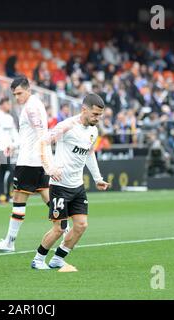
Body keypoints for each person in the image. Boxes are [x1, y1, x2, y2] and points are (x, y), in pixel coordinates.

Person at [31, 93, 110, 270]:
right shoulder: (67, 126)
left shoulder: (93, 130)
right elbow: (42, 143)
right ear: (84, 109)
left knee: (81, 225)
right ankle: (38, 259)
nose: (98, 118)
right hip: (60, 186)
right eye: (95, 114)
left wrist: (97, 178)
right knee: (59, 228)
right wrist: (49, 168)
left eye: (100, 115)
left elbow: (90, 154)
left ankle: (58, 258)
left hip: (77, 186)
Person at [0, 76, 51, 252]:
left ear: (28, 90)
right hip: (37, 160)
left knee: (18, 200)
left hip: (29, 161)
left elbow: (39, 133)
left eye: (20, 93)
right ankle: (65, 230)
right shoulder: (36, 104)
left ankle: (9, 242)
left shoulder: (30, 107)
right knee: (47, 197)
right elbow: (32, 135)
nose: (17, 97)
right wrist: (15, 146)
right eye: (15, 94)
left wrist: (45, 158)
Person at [0, 97, 19, 204]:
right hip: (0, 149)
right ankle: (7, 195)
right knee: (11, 170)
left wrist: (14, 145)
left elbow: (13, 134)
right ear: (2, 105)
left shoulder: (9, 118)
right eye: (7, 104)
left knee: (3, 173)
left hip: (7, 149)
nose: (9, 106)